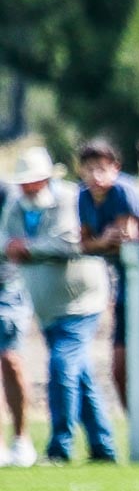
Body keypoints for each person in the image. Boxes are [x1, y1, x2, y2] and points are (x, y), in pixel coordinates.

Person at [0, 146, 117, 463]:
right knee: (80, 376)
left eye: (33, 181)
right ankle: (103, 447)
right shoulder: (17, 204)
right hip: (47, 307)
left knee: (61, 366)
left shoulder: (69, 198)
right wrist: (13, 246)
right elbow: (4, 239)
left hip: (81, 302)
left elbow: (68, 242)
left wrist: (26, 248)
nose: (28, 187)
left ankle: (59, 447)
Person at [76, 138, 139, 410]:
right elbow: (85, 243)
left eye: (102, 169)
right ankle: (135, 424)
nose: (96, 176)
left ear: (115, 168)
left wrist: (101, 241)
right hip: (123, 288)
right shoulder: (83, 196)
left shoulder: (122, 192)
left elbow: (124, 238)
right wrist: (102, 240)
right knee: (118, 368)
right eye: (89, 169)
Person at [0, 180, 35, 467]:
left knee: (11, 361)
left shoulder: (8, 192)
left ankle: (22, 438)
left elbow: (16, 236)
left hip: (7, 287)